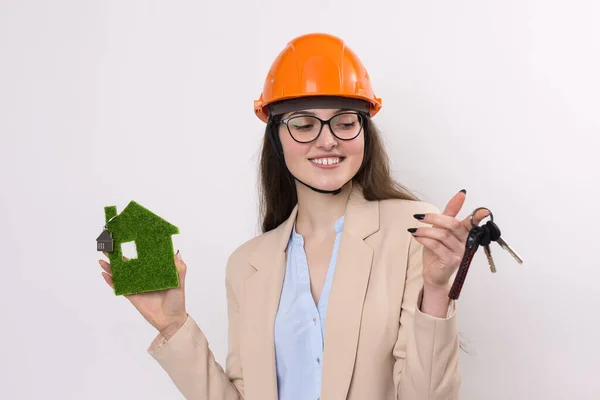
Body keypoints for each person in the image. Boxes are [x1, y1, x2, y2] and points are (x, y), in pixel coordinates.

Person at [99, 32, 484, 400]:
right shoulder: (247, 264)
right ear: (276, 139)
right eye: (303, 124)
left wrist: (436, 292)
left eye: (346, 122)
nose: (328, 139)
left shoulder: (414, 229)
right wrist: (173, 325)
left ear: (365, 131)